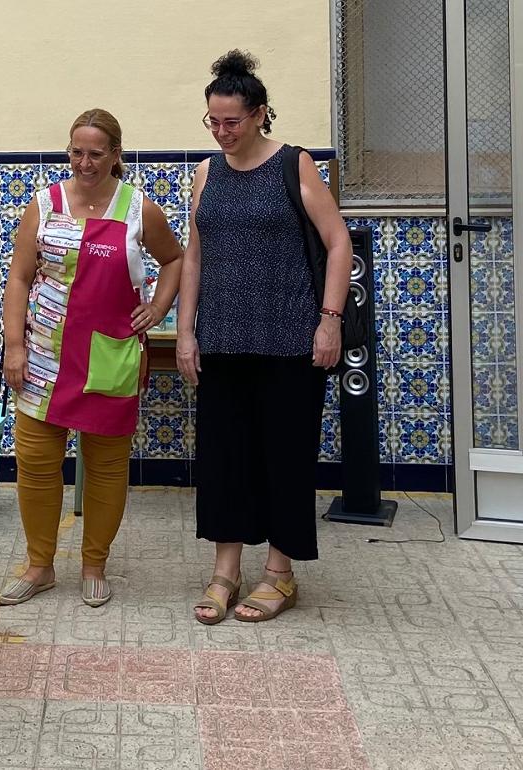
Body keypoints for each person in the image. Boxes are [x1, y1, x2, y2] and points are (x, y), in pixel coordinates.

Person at [176, 51, 351, 624]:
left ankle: (280, 572)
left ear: (259, 115)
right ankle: (226, 570)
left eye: (232, 121)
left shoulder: (293, 165)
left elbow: (338, 243)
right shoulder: (207, 173)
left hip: (289, 340)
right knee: (226, 456)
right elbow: (194, 255)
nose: (222, 132)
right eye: (213, 121)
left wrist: (329, 319)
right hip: (222, 339)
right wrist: (185, 332)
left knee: (284, 454)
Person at [0, 108, 183, 608]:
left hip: (111, 358)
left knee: (105, 468)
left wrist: (159, 307)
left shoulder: (138, 208)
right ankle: (40, 566)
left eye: (96, 154)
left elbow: (175, 259)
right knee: (36, 464)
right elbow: (19, 278)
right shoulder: (44, 205)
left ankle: (94, 564)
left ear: (116, 155)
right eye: (76, 152)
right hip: (43, 357)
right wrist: (14, 346)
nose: (85, 162)